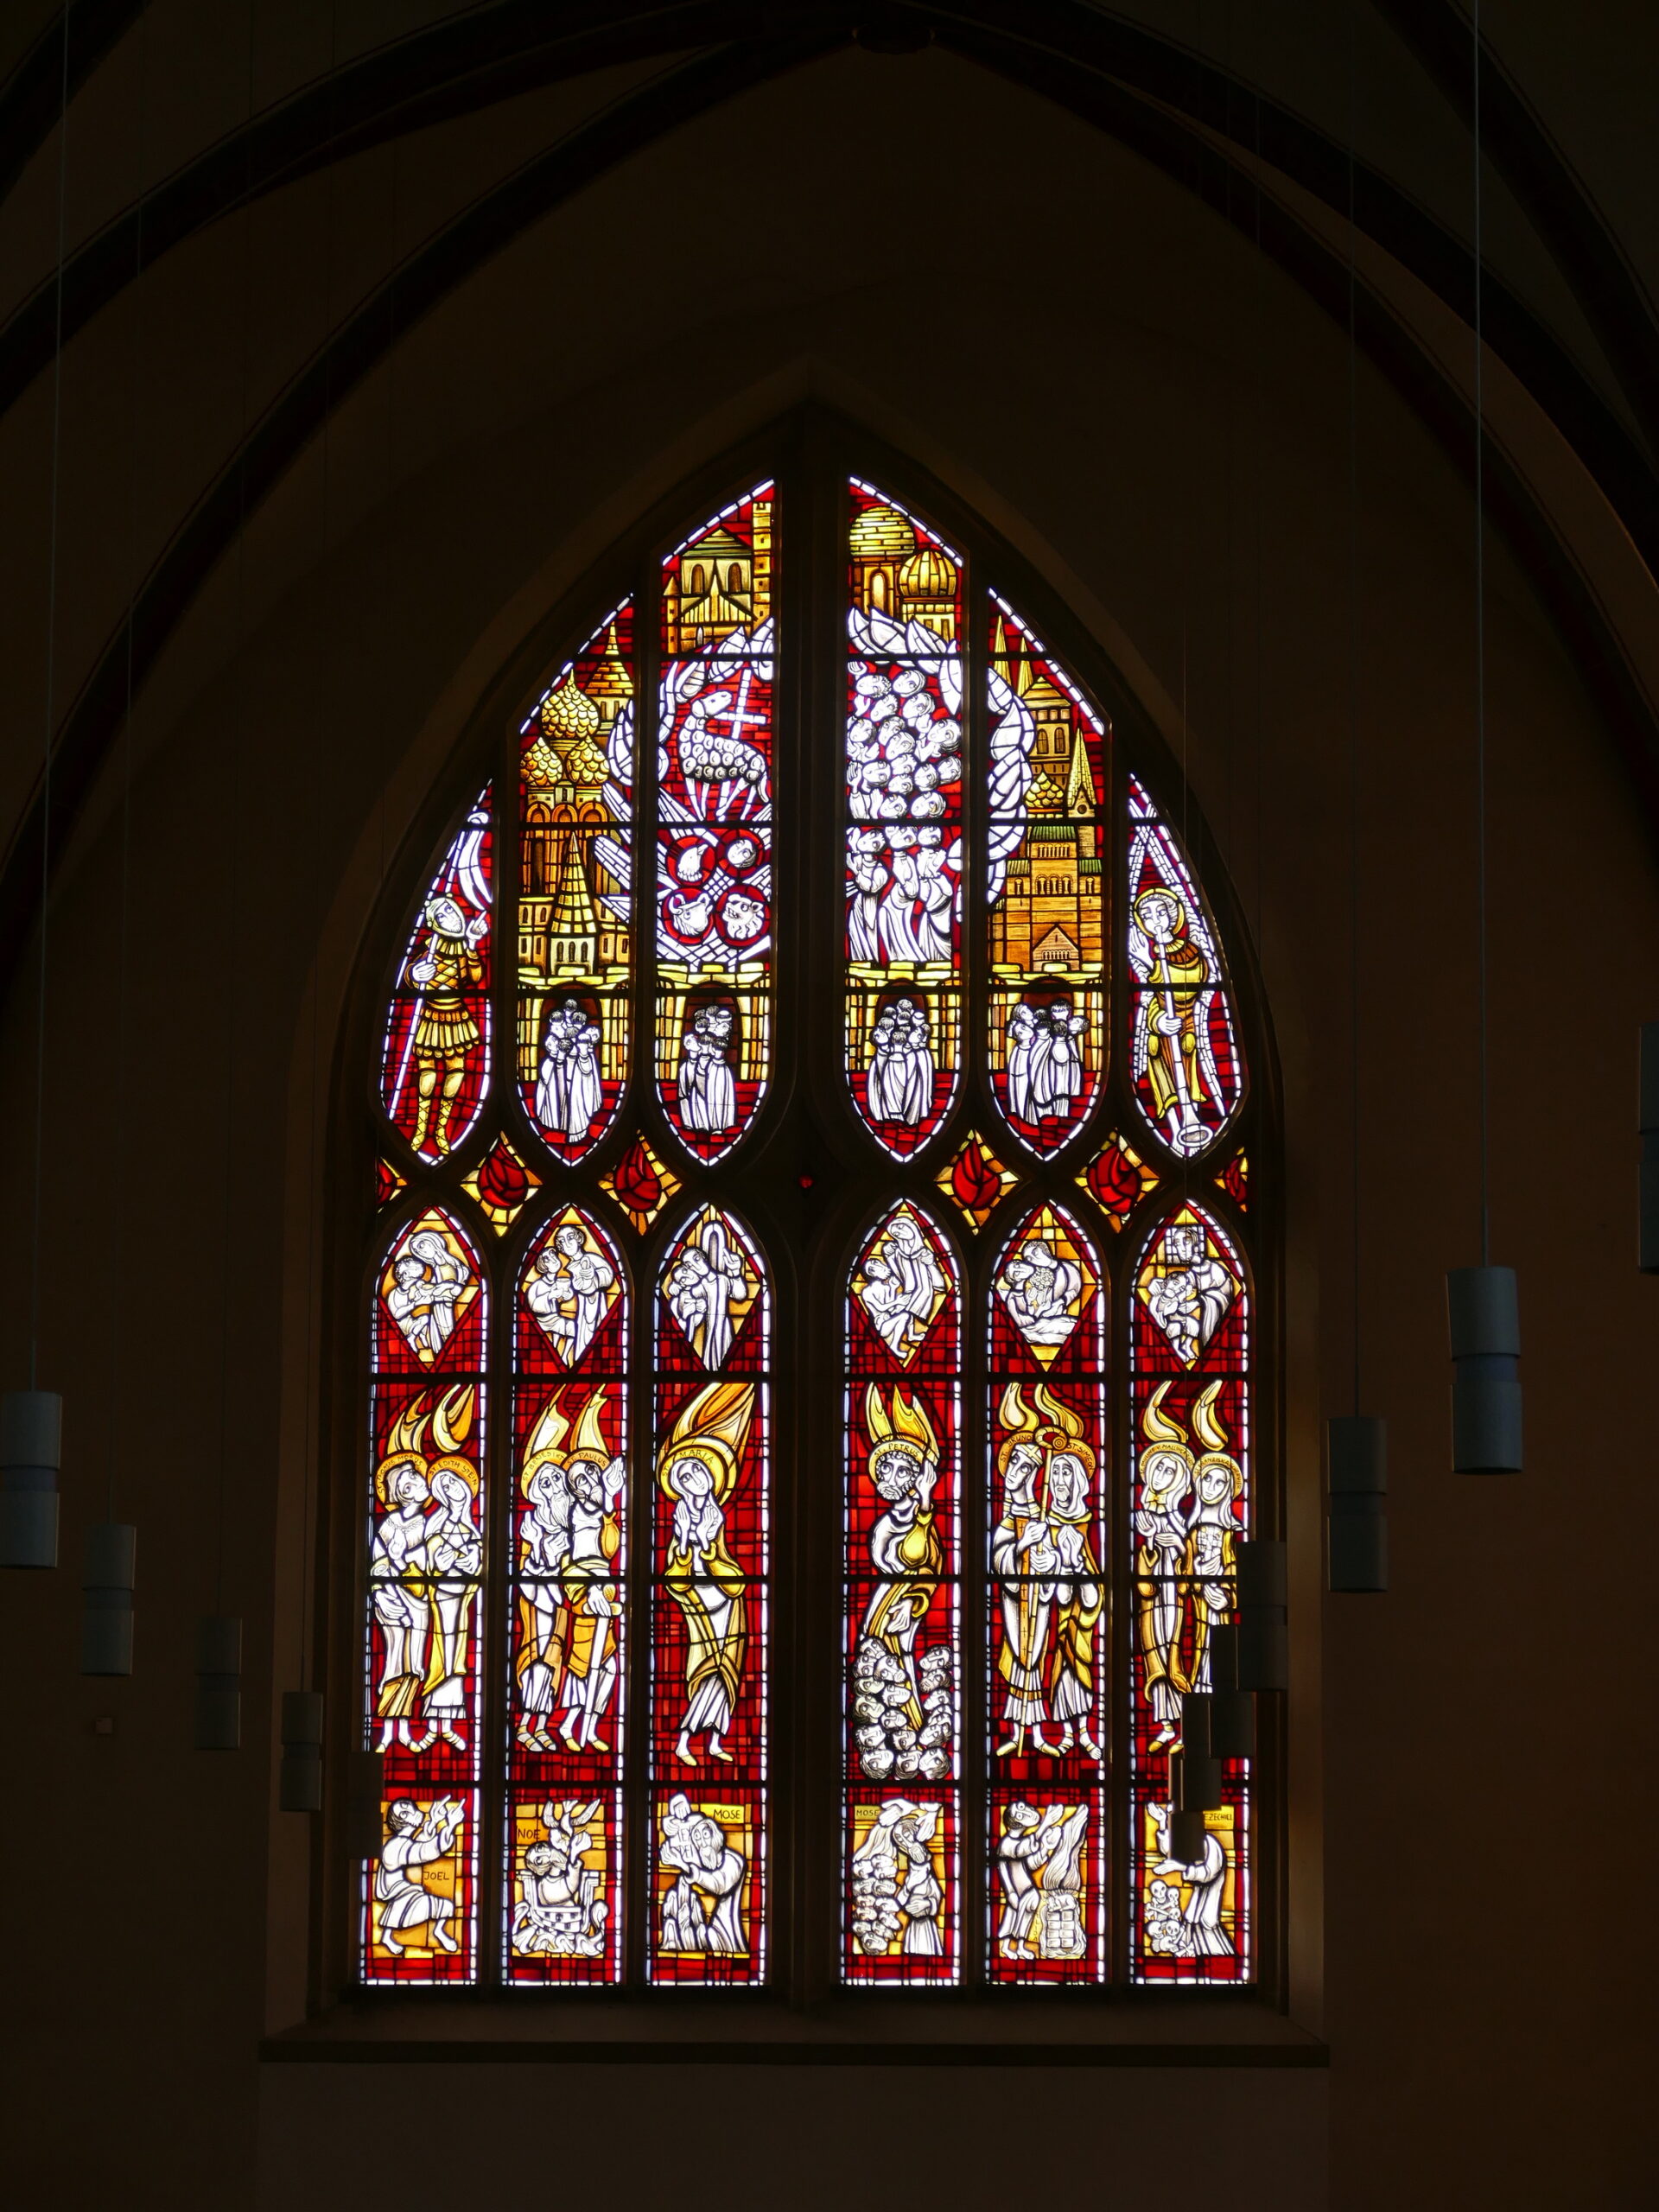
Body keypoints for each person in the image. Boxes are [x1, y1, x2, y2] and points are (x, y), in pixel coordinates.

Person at [659, 1382, 753, 1765]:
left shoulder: (720, 1517)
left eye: (696, 1472)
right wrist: (684, 1541)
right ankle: (683, 1739)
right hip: (698, 1604)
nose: (692, 1481)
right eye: (683, 1477)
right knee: (703, 1667)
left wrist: (710, 1545)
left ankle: (714, 1740)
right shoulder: (681, 1517)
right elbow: (673, 1572)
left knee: (726, 1671)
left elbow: (730, 1568)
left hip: (726, 1601)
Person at [859, 1387, 944, 1732]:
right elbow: (889, 1561)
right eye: (885, 1470)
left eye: (901, 1472)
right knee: (884, 1664)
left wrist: (913, 1601)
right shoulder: (885, 1524)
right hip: (884, 1603)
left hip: (905, 1604)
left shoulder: (922, 1519)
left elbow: (929, 1565)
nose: (889, 1480)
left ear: (916, 1479)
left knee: (903, 1662)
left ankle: (910, 1728)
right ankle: (893, 1730)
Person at [1135, 1383, 1197, 1744]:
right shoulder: (1145, 1517)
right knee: (1154, 1652)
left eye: (1171, 1472)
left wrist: (1179, 1546)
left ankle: (1184, 1724)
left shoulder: (1183, 1521)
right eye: (1159, 1470)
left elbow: (1193, 1568)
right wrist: (1147, 1544)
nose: (1162, 1478)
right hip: (1151, 1599)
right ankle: (1166, 1723)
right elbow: (1142, 1571)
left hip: (1177, 1598)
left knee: (1174, 1650)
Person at [1131, 887, 1212, 1154]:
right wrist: (1156, 1023)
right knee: (1159, 1065)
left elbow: (1190, 984)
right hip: (1160, 1026)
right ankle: (1177, 1127)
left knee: (1189, 1058)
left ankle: (1194, 1119)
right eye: (1147, 915)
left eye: (1161, 912)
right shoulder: (1147, 952)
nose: (1155, 920)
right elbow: (1150, 1000)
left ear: (1173, 915)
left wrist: (1152, 966)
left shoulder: (1189, 949)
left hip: (1186, 1022)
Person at [404, 894, 486, 1154]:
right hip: (430, 1014)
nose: (450, 917)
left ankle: (441, 1129)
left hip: (456, 1015)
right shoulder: (428, 946)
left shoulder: (465, 947)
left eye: (451, 912)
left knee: (457, 1071)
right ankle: (419, 1129)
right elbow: (408, 975)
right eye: (442, 916)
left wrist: (472, 945)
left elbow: (475, 977)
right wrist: (414, 975)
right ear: (434, 923)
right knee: (427, 1073)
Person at [992, 1432, 1057, 1755]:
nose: (1017, 1470)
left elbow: (1050, 1565)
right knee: (1020, 1658)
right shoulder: (1007, 1521)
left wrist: (1048, 1560)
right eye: (1014, 1462)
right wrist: (1021, 1545)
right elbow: (1000, 1564)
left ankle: (1036, 1734)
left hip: (1038, 1604)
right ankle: (1018, 1734)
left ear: (1034, 1475)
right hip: (1014, 1605)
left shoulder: (1041, 1517)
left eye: (1026, 1466)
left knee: (1035, 1659)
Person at [369, 1454, 433, 1751]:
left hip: (419, 1603)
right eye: (410, 1483)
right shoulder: (389, 1524)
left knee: (413, 1665)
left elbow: (432, 1563)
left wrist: (414, 1558)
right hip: (392, 1601)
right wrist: (381, 1593)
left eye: (417, 1478)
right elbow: (377, 1564)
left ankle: (404, 1729)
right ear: (402, 1494)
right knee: (393, 1664)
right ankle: (387, 1731)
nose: (419, 1483)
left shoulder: (431, 1523)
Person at [417, 1459, 481, 1751]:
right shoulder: (437, 1521)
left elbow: (479, 1557)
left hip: (463, 1597)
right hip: (441, 1597)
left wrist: (475, 1559)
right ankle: (433, 1724)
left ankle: (451, 1722)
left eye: (454, 1481)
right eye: (444, 1485)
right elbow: (428, 1557)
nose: (451, 1488)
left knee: (457, 1659)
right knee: (440, 1655)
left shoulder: (473, 1525)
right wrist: (437, 1561)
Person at [1045, 1448, 1103, 1758]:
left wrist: (1076, 1565)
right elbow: (1053, 1588)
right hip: (1055, 1616)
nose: (1059, 1480)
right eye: (1054, 1473)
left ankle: (1086, 1732)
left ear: (1080, 1480)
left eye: (1066, 1473)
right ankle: (1069, 1732)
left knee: (1082, 1669)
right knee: (1060, 1671)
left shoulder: (1090, 1523)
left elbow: (1095, 1591)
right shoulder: (1045, 1523)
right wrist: (1062, 1564)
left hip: (1085, 1620)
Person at [512, 1801, 607, 1958]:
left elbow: (568, 1881)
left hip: (568, 1909)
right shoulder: (547, 1886)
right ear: (540, 1868)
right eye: (539, 1860)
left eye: (539, 1849)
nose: (543, 1851)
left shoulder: (558, 1866)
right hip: (557, 1906)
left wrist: (567, 1815)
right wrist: (575, 1855)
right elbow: (570, 1886)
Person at [658, 1794, 747, 1954]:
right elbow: (698, 1869)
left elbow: (719, 1884)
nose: (702, 1842)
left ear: (716, 1836)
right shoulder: (710, 1860)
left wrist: (683, 1864)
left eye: (705, 1835)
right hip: (717, 1927)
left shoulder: (734, 1861)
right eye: (697, 1838)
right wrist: (669, 1822)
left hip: (728, 1929)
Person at [375, 1798, 462, 1955]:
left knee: (447, 1907)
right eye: (404, 1813)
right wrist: (451, 1826)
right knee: (402, 1911)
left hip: (408, 1891)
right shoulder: (393, 1848)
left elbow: (418, 1843)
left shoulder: (402, 1842)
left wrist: (434, 1821)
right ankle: (387, 1937)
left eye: (409, 1807)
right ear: (400, 1821)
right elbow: (423, 1852)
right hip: (400, 1893)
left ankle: (438, 1931)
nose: (412, 1811)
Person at [855, 1211, 946, 1359]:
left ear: (912, 1226)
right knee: (904, 1314)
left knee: (906, 1313)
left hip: (923, 1295)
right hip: (901, 1303)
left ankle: (910, 1335)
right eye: (895, 1232)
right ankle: (897, 1343)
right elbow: (896, 1277)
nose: (899, 1232)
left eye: (901, 1226)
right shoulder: (896, 1255)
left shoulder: (925, 1254)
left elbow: (940, 1286)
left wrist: (931, 1265)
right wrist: (890, 1257)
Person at [664, 1215, 750, 1370]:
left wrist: (736, 1272)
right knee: (709, 1362)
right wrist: (675, 1288)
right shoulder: (697, 1286)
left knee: (727, 1362)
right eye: (689, 1265)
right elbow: (684, 1301)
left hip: (724, 1327)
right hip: (708, 1329)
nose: (695, 1266)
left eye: (696, 1259)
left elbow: (740, 1294)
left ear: (703, 1257)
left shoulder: (723, 1279)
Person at [524, 1222, 615, 1367]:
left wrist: (594, 1275)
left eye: (570, 1238)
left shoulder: (592, 1258)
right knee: (581, 1338)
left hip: (597, 1305)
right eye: (562, 1242)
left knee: (596, 1337)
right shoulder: (567, 1271)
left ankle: (580, 1361)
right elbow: (570, 1291)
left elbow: (608, 1275)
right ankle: (569, 1359)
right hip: (578, 1310)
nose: (567, 1244)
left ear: (579, 1239)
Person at [995, 1237, 1082, 1350]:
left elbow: (1074, 1288)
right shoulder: (1017, 1294)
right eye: (1016, 1274)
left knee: (1070, 1325)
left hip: (1053, 1318)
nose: (1034, 1258)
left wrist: (1061, 1301)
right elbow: (1023, 1320)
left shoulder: (1065, 1268)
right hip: (1037, 1325)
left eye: (1035, 1252)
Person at [536, 999, 603, 1142]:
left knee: (573, 1097)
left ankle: (570, 1124)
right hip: (563, 1067)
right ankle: (561, 1122)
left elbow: (586, 1070)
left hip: (572, 1070)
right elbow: (546, 1077)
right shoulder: (558, 1039)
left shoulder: (583, 1050)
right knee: (562, 1094)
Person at [1005, 1001, 1039, 1125]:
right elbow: (1017, 1077)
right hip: (1024, 1073)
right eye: (1024, 1012)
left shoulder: (1038, 1026)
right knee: (1023, 1089)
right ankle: (1024, 1116)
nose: (1029, 1013)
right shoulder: (1020, 1051)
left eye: (1028, 1009)